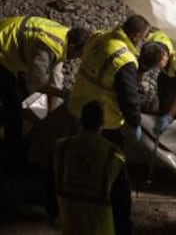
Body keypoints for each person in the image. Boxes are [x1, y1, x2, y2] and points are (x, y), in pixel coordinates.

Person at [0, 15, 89, 165]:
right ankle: (13, 152)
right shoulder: (48, 47)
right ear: (74, 47)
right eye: (79, 55)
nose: (78, 59)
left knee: (24, 96)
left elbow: (55, 78)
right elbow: (37, 85)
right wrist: (64, 95)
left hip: (14, 41)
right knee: (12, 105)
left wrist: (51, 113)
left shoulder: (64, 39)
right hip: (3, 50)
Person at [68, 15, 150, 145]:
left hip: (77, 105)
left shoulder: (99, 36)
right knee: (102, 157)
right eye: (142, 38)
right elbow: (128, 97)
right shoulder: (124, 59)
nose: (142, 41)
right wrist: (134, 123)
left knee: (74, 146)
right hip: (104, 121)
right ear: (136, 35)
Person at [54, 100, 132, 235]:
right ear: (102, 124)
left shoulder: (60, 148)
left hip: (69, 226)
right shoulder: (113, 155)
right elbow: (121, 202)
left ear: (80, 121)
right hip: (100, 228)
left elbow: (50, 184)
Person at [138, 31, 176, 135]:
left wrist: (169, 116)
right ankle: (162, 113)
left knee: (172, 99)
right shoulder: (152, 42)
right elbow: (141, 68)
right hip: (169, 65)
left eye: (157, 65)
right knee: (163, 89)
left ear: (165, 56)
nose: (155, 69)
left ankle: (171, 127)